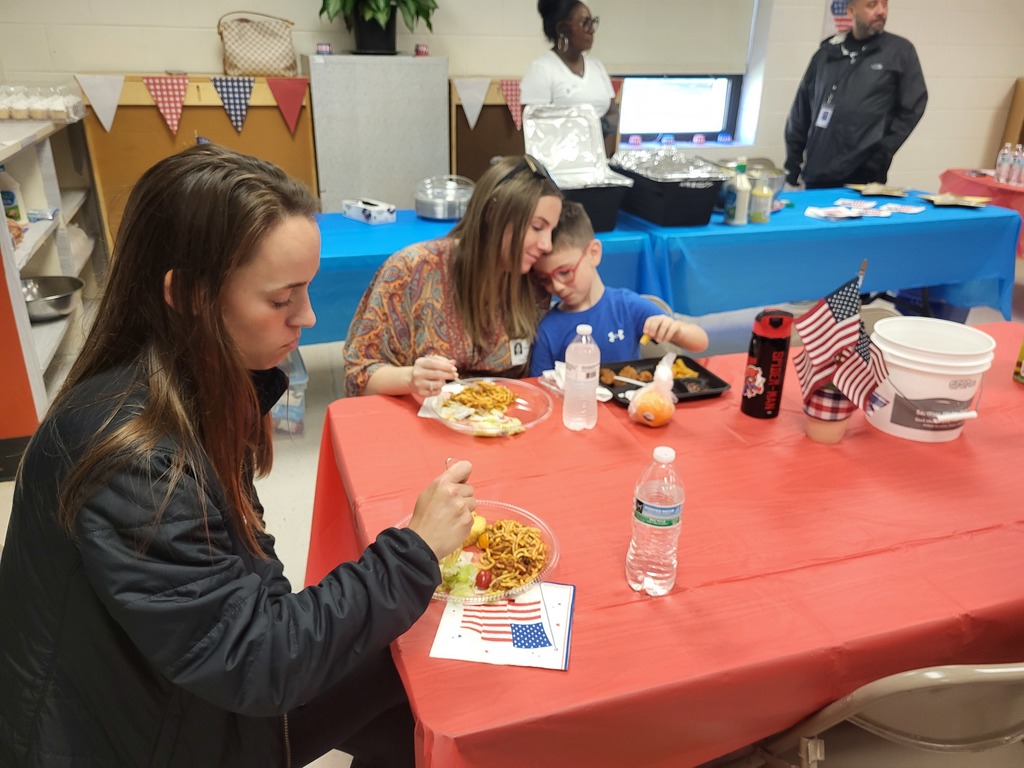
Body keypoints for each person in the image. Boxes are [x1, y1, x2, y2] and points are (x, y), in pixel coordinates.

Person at [0, 144, 476, 768]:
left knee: (414, 676)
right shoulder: (132, 459)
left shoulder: (198, 388)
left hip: (193, 686)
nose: (306, 317)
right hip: (146, 735)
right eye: (283, 300)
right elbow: (257, 659)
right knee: (411, 663)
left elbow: (249, 579)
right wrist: (412, 552)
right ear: (192, 296)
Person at [344, 155, 563, 397]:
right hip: (419, 420)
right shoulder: (412, 270)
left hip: (503, 421)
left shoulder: (533, 283)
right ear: (493, 213)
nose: (547, 245)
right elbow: (358, 375)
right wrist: (409, 378)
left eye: (552, 230)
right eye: (537, 227)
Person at [528, 201, 708, 375]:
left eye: (565, 272)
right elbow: (541, 389)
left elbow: (700, 342)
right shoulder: (548, 329)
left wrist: (676, 330)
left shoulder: (626, 307)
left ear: (594, 253)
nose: (557, 287)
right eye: (544, 279)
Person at [783, 0, 927, 189]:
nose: (881, 11)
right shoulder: (827, 54)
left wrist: (881, 153)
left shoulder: (899, 52)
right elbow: (801, 111)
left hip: (864, 176)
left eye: (884, 4)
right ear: (851, 11)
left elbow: (913, 106)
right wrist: (793, 163)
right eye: (871, 5)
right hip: (817, 171)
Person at [520, 0, 618, 158]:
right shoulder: (542, 69)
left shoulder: (597, 67)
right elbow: (536, 131)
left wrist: (600, 129)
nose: (592, 30)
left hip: (599, 164)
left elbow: (613, 113)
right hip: (561, 168)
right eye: (585, 23)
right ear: (562, 29)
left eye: (593, 22)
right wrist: (587, 130)